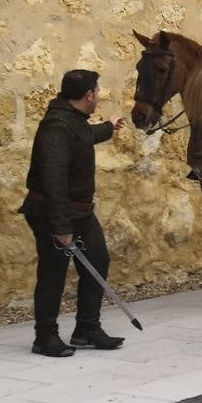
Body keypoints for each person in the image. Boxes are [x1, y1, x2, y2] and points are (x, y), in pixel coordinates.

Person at [18, 70, 126, 357]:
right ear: (88, 95)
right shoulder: (56, 127)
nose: (99, 95)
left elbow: (84, 136)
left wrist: (109, 127)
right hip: (52, 213)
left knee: (97, 261)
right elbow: (54, 181)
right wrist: (61, 226)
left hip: (80, 212)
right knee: (53, 273)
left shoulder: (72, 120)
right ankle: (45, 336)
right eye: (98, 91)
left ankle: (86, 329)